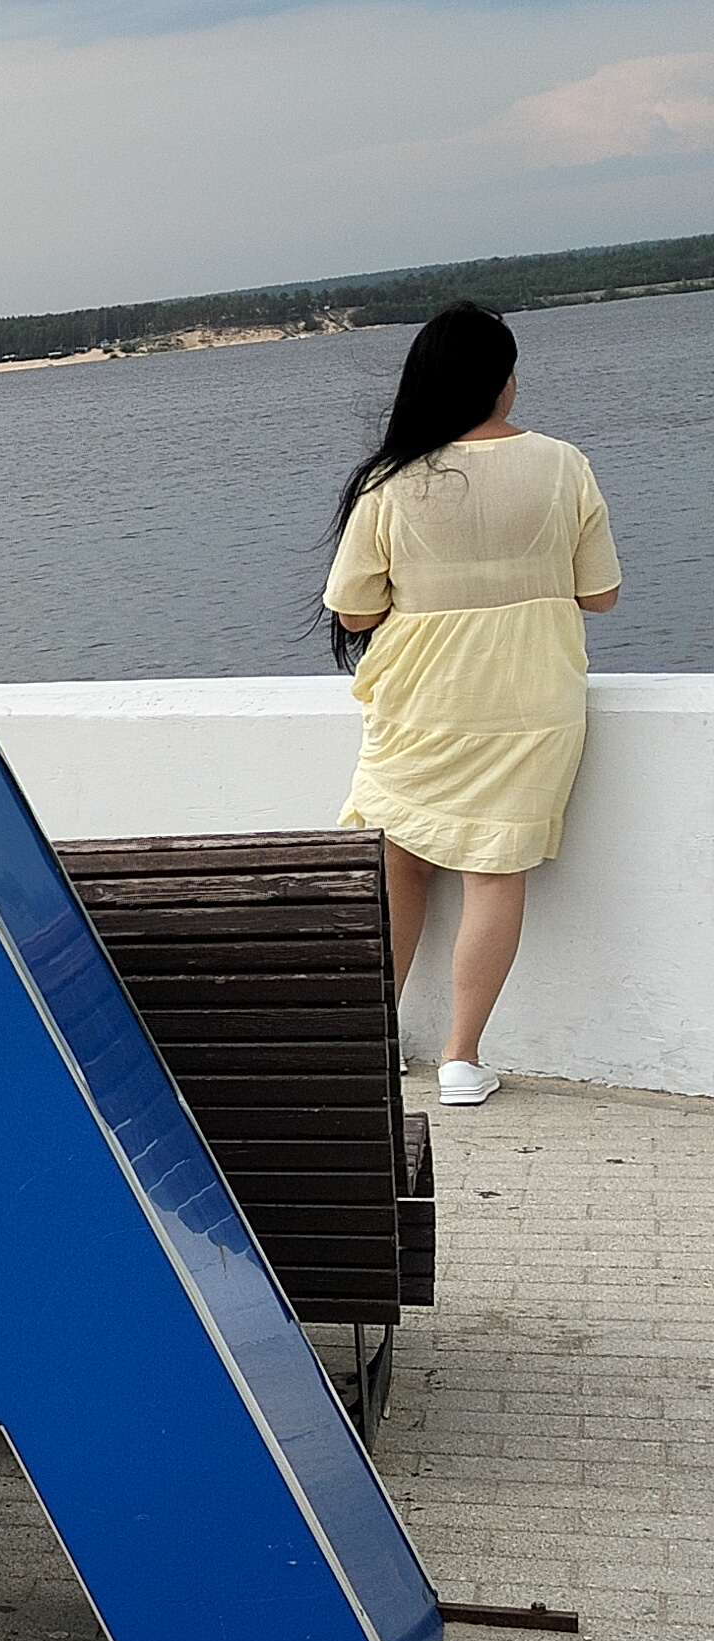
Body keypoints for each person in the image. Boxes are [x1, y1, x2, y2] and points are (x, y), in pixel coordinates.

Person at [322, 302, 621, 1106]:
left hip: (422, 703)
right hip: (532, 700)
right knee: (495, 871)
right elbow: (600, 594)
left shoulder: (391, 480)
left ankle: (380, 1042)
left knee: (399, 858)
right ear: (502, 381)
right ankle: (461, 1058)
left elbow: (354, 611)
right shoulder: (563, 464)